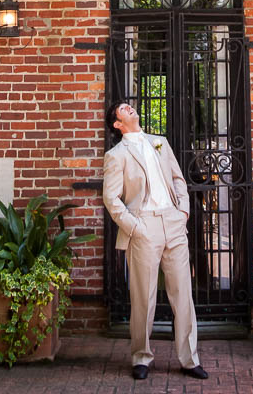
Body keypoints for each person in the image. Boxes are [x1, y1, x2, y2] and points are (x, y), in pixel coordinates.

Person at [102, 101, 208, 381]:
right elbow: (111, 199)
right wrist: (135, 228)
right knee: (143, 297)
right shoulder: (116, 155)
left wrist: (183, 210)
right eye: (123, 109)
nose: (129, 107)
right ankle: (141, 357)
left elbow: (178, 178)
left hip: (173, 222)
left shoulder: (160, 142)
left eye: (129, 105)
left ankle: (189, 359)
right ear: (117, 124)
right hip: (143, 226)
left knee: (183, 293)